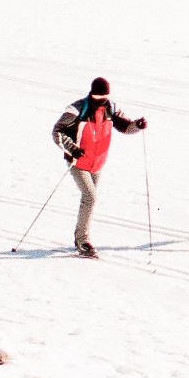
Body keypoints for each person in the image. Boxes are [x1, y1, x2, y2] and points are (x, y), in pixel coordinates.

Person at [51, 78, 147, 258]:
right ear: (91, 93)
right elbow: (57, 131)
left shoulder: (110, 108)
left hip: (97, 163)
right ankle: (82, 241)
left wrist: (137, 126)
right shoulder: (77, 109)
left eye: (105, 96)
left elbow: (125, 127)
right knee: (90, 197)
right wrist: (72, 148)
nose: (101, 99)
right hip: (78, 162)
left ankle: (80, 238)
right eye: (98, 96)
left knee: (88, 200)